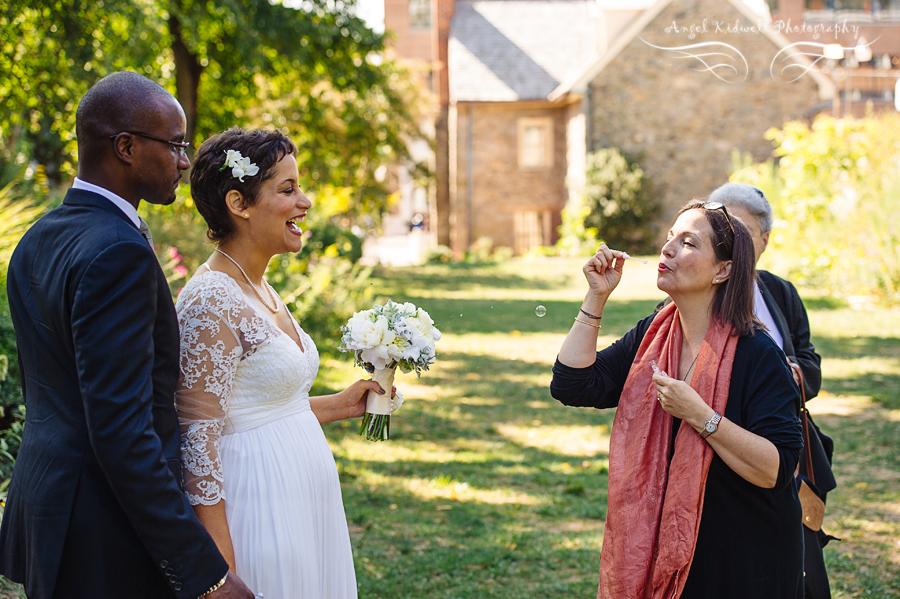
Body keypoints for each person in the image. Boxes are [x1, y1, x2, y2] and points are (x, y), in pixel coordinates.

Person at [0, 72, 254, 598]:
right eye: (176, 145)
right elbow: (123, 433)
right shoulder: (118, 254)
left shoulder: (38, 237)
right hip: (103, 532)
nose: (185, 161)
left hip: (49, 510)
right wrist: (205, 573)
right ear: (126, 147)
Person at [176, 127, 393, 599]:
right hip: (256, 506)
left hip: (304, 501)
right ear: (239, 204)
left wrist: (341, 404)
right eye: (288, 189)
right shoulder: (210, 299)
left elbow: (263, 407)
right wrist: (218, 570)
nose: (306, 201)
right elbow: (198, 440)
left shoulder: (260, 287)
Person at [551, 200, 804, 598]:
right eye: (670, 237)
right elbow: (573, 383)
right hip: (668, 542)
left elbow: (777, 468)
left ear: (723, 270)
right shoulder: (656, 334)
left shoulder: (757, 353)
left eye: (688, 242)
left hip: (745, 554)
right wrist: (596, 296)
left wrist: (702, 416)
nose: (667, 249)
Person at [709, 181, 836, 599]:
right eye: (722, 227)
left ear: (764, 240)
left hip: (785, 444)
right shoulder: (698, 290)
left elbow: (810, 361)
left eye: (743, 231)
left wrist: (791, 374)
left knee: (799, 564)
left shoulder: (780, 291)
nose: (733, 240)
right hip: (722, 444)